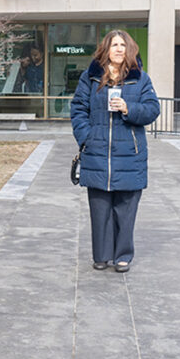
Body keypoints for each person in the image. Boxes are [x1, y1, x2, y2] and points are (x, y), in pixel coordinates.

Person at [70, 30, 159, 273]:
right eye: (114, 45)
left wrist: (129, 108)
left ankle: (122, 256)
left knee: (126, 211)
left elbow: (152, 110)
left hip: (130, 155)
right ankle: (101, 255)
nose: (119, 49)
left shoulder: (141, 79)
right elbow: (78, 108)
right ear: (106, 49)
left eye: (123, 45)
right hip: (97, 152)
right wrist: (86, 137)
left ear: (129, 49)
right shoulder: (90, 78)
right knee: (99, 210)